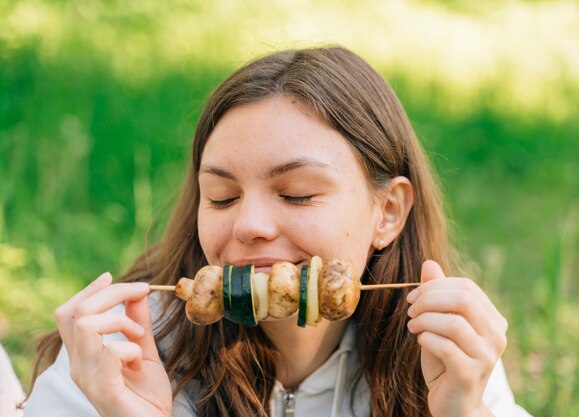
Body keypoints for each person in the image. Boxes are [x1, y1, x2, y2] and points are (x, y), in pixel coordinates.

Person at [24, 46, 531, 417]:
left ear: (388, 212)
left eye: (297, 194)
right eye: (222, 197)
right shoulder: (122, 350)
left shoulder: (445, 353)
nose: (247, 226)